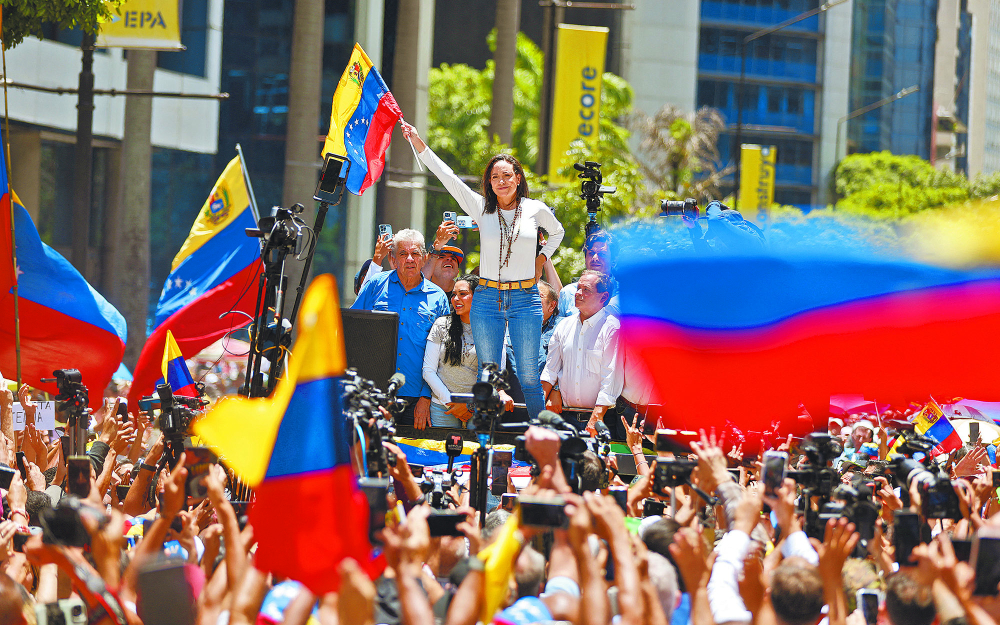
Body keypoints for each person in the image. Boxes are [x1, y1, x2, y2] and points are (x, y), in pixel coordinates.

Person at [402, 121, 565, 418]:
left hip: (525, 298)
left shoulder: (536, 209)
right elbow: (448, 177)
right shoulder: (481, 208)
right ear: (489, 183)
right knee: (487, 378)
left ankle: (543, 442)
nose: (500, 181)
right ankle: (482, 445)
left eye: (506, 175)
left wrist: (542, 258)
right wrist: (417, 142)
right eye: (494, 177)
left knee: (529, 377)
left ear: (518, 178)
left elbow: (558, 232)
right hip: (488, 298)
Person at [352, 228, 450, 427]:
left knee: (412, 456)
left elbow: (444, 354)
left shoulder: (438, 298)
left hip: (416, 398)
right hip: (374, 393)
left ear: (423, 258)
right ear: (393, 258)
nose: (410, 259)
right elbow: (352, 328)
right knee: (371, 454)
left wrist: (426, 398)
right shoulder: (375, 285)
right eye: (403, 254)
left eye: (415, 254)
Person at [422, 275, 512, 428]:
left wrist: (469, 406)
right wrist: (452, 403)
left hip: (480, 408)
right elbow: (428, 371)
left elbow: (496, 373)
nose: (456, 299)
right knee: (442, 451)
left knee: (477, 452)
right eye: (454, 295)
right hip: (443, 407)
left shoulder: (495, 328)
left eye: (462, 294)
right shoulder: (441, 324)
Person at [541, 270, 623, 435]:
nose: (578, 293)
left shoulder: (612, 328)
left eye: (586, 290)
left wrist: (595, 419)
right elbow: (550, 370)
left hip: (599, 420)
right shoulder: (564, 325)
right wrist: (537, 410)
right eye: (578, 288)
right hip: (563, 417)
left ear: (604, 297)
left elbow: (611, 379)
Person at [558, 229, 619, 319]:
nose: (595, 258)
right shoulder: (568, 293)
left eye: (602, 254)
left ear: (614, 261)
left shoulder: (624, 295)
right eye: (591, 253)